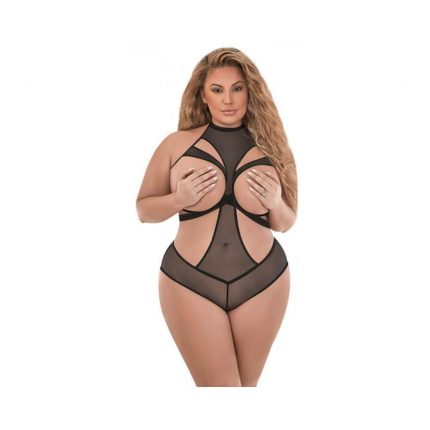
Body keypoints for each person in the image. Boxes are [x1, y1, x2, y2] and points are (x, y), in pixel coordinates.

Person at [135, 47, 298, 387]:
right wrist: (178, 199)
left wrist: (274, 202)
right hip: (189, 280)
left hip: (264, 281)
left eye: (237, 88)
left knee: (243, 391)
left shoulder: (273, 148)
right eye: (217, 89)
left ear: (250, 92)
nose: (228, 99)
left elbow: (285, 222)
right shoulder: (175, 145)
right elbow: (144, 210)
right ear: (203, 96)